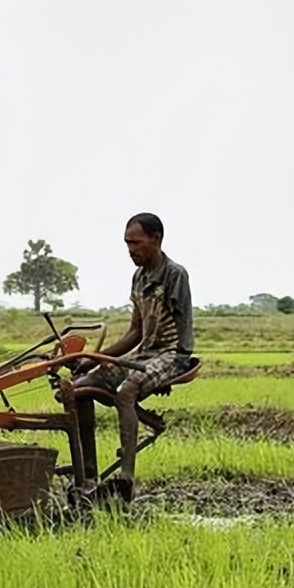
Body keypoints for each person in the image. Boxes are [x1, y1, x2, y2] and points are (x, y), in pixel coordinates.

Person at [71, 212, 194, 500]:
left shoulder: (175, 274)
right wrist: (93, 358)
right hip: (145, 353)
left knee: (127, 390)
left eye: (136, 243)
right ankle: (87, 475)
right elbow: (135, 332)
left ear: (157, 239)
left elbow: (183, 330)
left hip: (172, 353)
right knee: (79, 390)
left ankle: (126, 480)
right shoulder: (138, 278)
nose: (131, 250)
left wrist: (165, 376)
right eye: (127, 244)